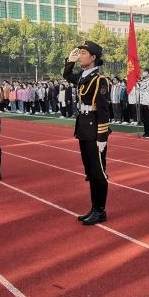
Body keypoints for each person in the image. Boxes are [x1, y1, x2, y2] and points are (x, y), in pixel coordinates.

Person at [63, 41, 111, 225]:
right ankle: (94, 208)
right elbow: (67, 75)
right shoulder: (83, 76)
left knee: (99, 173)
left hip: (94, 130)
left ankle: (100, 211)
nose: (80, 55)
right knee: (90, 172)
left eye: (83, 53)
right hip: (83, 128)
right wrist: (70, 61)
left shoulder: (100, 80)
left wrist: (102, 137)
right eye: (80, 52)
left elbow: (103, 111)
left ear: (93, 58)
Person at [137, 68, 149, 138]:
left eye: (145, 72)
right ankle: (145, 132)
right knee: (144, 119)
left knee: (148, 118)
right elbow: (140, 90)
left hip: (148, 102)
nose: (143, 73)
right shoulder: (143, 81)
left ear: (148, 74)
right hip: (142, 102)